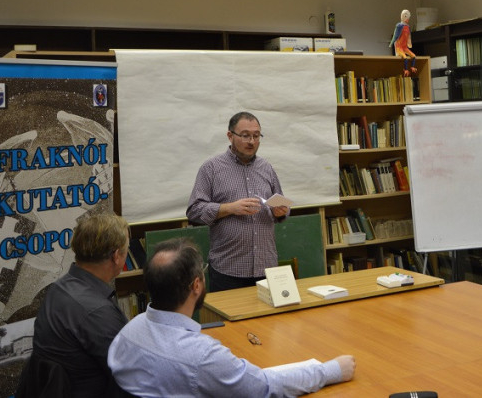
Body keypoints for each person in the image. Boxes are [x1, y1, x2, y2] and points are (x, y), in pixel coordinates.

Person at [108, 238, 356, 397]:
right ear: (196, 286)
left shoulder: (128, 331)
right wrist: (330, 371)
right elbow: (263, 387)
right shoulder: (202, 356)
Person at [21, 211, 129, 398]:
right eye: (127, 248)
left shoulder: (58, 288)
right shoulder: (97, 312)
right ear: (116, 256)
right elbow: (131, 376)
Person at [187, 111, 290, 292]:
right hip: (228, 270)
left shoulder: (267, 168)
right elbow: (194, 211)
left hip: (266, 267)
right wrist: (230, 208)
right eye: (245, 135)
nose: (251, 141)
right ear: (230, 136)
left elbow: (281, 205)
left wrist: (281, 212)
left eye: (256, 136)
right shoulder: (211, 168)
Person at [389, 9, 417, 76]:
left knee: (414, 56)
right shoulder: (399, 26)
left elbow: (409, 36)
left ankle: (412, 67)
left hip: (405, 47)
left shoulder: (408, 27)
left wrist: (409, 43)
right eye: (406, 17)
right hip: (399, 47)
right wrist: (391, 43)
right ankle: (406, 69)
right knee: (405, 57)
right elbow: (395, 36)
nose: (407, 19)